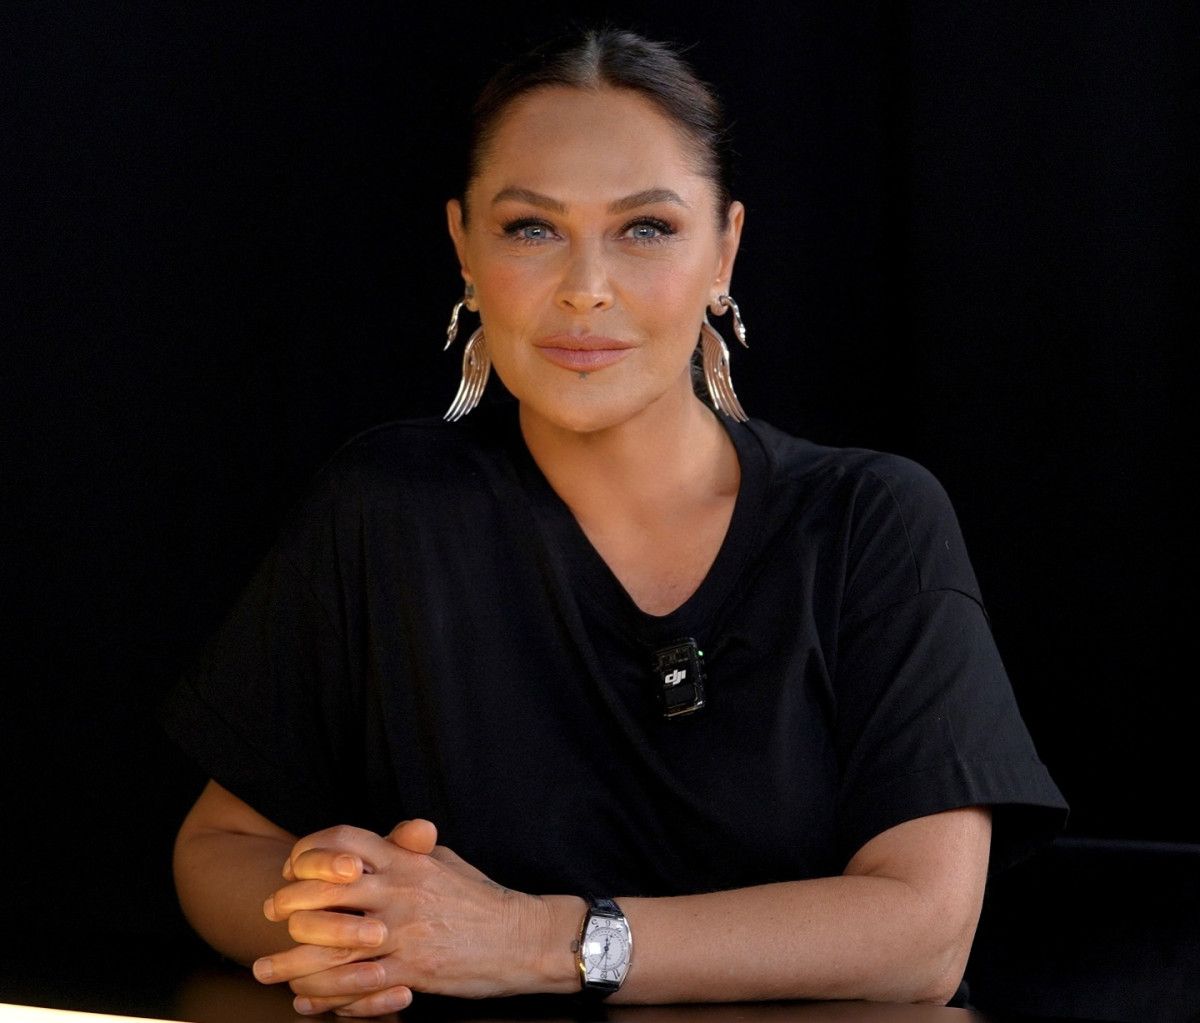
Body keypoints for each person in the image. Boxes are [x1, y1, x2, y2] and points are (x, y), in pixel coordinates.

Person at [165, 27, 1066, 1019]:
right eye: (531, 229)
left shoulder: (868, 520)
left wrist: (533, 940)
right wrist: (363, 924)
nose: (585, 287)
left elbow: (924, 935)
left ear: (724, 250)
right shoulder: (385, 506)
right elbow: (218, 849)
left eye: (645, 228)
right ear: (464, 247)